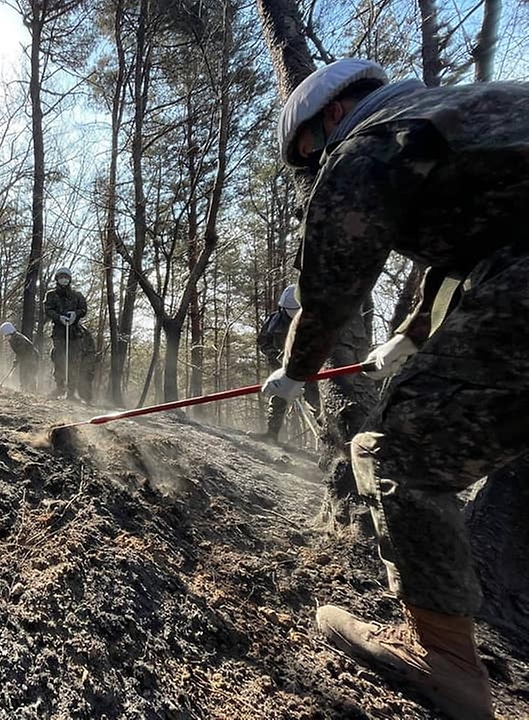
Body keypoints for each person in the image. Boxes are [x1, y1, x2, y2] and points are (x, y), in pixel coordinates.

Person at [262, 58, 529, 720]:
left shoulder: (370, 139)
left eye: (309, 154)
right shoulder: (460, 113)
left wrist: (296, 370)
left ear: (331, 114)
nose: (315, 167)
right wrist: (411, 334)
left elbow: (330, 282)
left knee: (395, 450)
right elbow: (475, 241)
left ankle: (442, 657)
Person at [256, 284, 320, 441]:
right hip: (282, 369)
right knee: (278, 397)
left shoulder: (313, 320)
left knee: (316, 402)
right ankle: (272, 435)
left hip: (308, 369)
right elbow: (263, 340)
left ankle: (330, 439)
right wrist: (273, 354)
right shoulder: (274, 321)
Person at [42, 267, 95, 401]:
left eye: (66, 278)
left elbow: (83, 309)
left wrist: (75, 314)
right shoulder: (51, 295)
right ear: (57, 279)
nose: (64, 280)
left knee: (74, 362)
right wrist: (59, 317)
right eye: (61, 277)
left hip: (75, 334)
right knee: (59, 359)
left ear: (69, 279)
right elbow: (48, 309)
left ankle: (71, 392)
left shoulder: (77, 295)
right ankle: (60, 387)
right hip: (59, 333)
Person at [0, 321, 39, 392]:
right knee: (23, 374)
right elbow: (19, 353)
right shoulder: (13, 339)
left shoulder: (18, 339)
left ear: (10, 333)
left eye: (6, 336)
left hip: (31, 357)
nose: (5, 338)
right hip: (26, 357)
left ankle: (32, 391)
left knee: (29, 374)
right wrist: (16, 360)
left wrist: (16, 360)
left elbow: (22, 352)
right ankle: (24, 390)